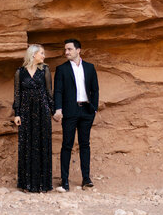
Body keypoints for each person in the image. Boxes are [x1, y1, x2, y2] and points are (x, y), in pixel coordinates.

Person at [53, 38, 99, 191]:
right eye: (65, 49)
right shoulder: (62, 69)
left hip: (86, 110)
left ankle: (86, 179)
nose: (66, 52)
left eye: (69, 49)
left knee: (85, 145)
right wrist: (58, 109)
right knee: (67, 145)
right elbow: (58, 91)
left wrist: (94, 108)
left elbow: (95, 89)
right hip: (70, 111)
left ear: (78, 50)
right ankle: (64, 180)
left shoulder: (90, 68)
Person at [13, 44, 53, 192]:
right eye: (41, 53)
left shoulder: (45, 70)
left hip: (42, 111)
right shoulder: (20, 72)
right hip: (25, 112)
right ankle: (26, 184)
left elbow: (49, 91)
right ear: (33, 54)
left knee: (43, 144)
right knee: (26, 144)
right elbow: (17, 93)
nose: (44, 56)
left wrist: (53, 111)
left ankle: (43, 184)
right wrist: (17, 113)